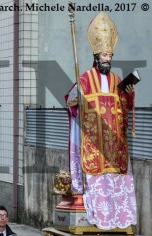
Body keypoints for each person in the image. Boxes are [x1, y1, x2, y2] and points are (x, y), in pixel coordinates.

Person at [66, 12, 137, 230]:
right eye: (104, 55)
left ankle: (119, 219)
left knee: (116, 179)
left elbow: (123, 107)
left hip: (114, 143)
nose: (108, 58)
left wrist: (129, 93)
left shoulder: (116, 79)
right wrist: (75, 101)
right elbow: (70, 101)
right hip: (95, 142)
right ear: (96, 56)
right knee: (98, 180)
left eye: (110, 54)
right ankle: (98, 215)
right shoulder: (85, 78)